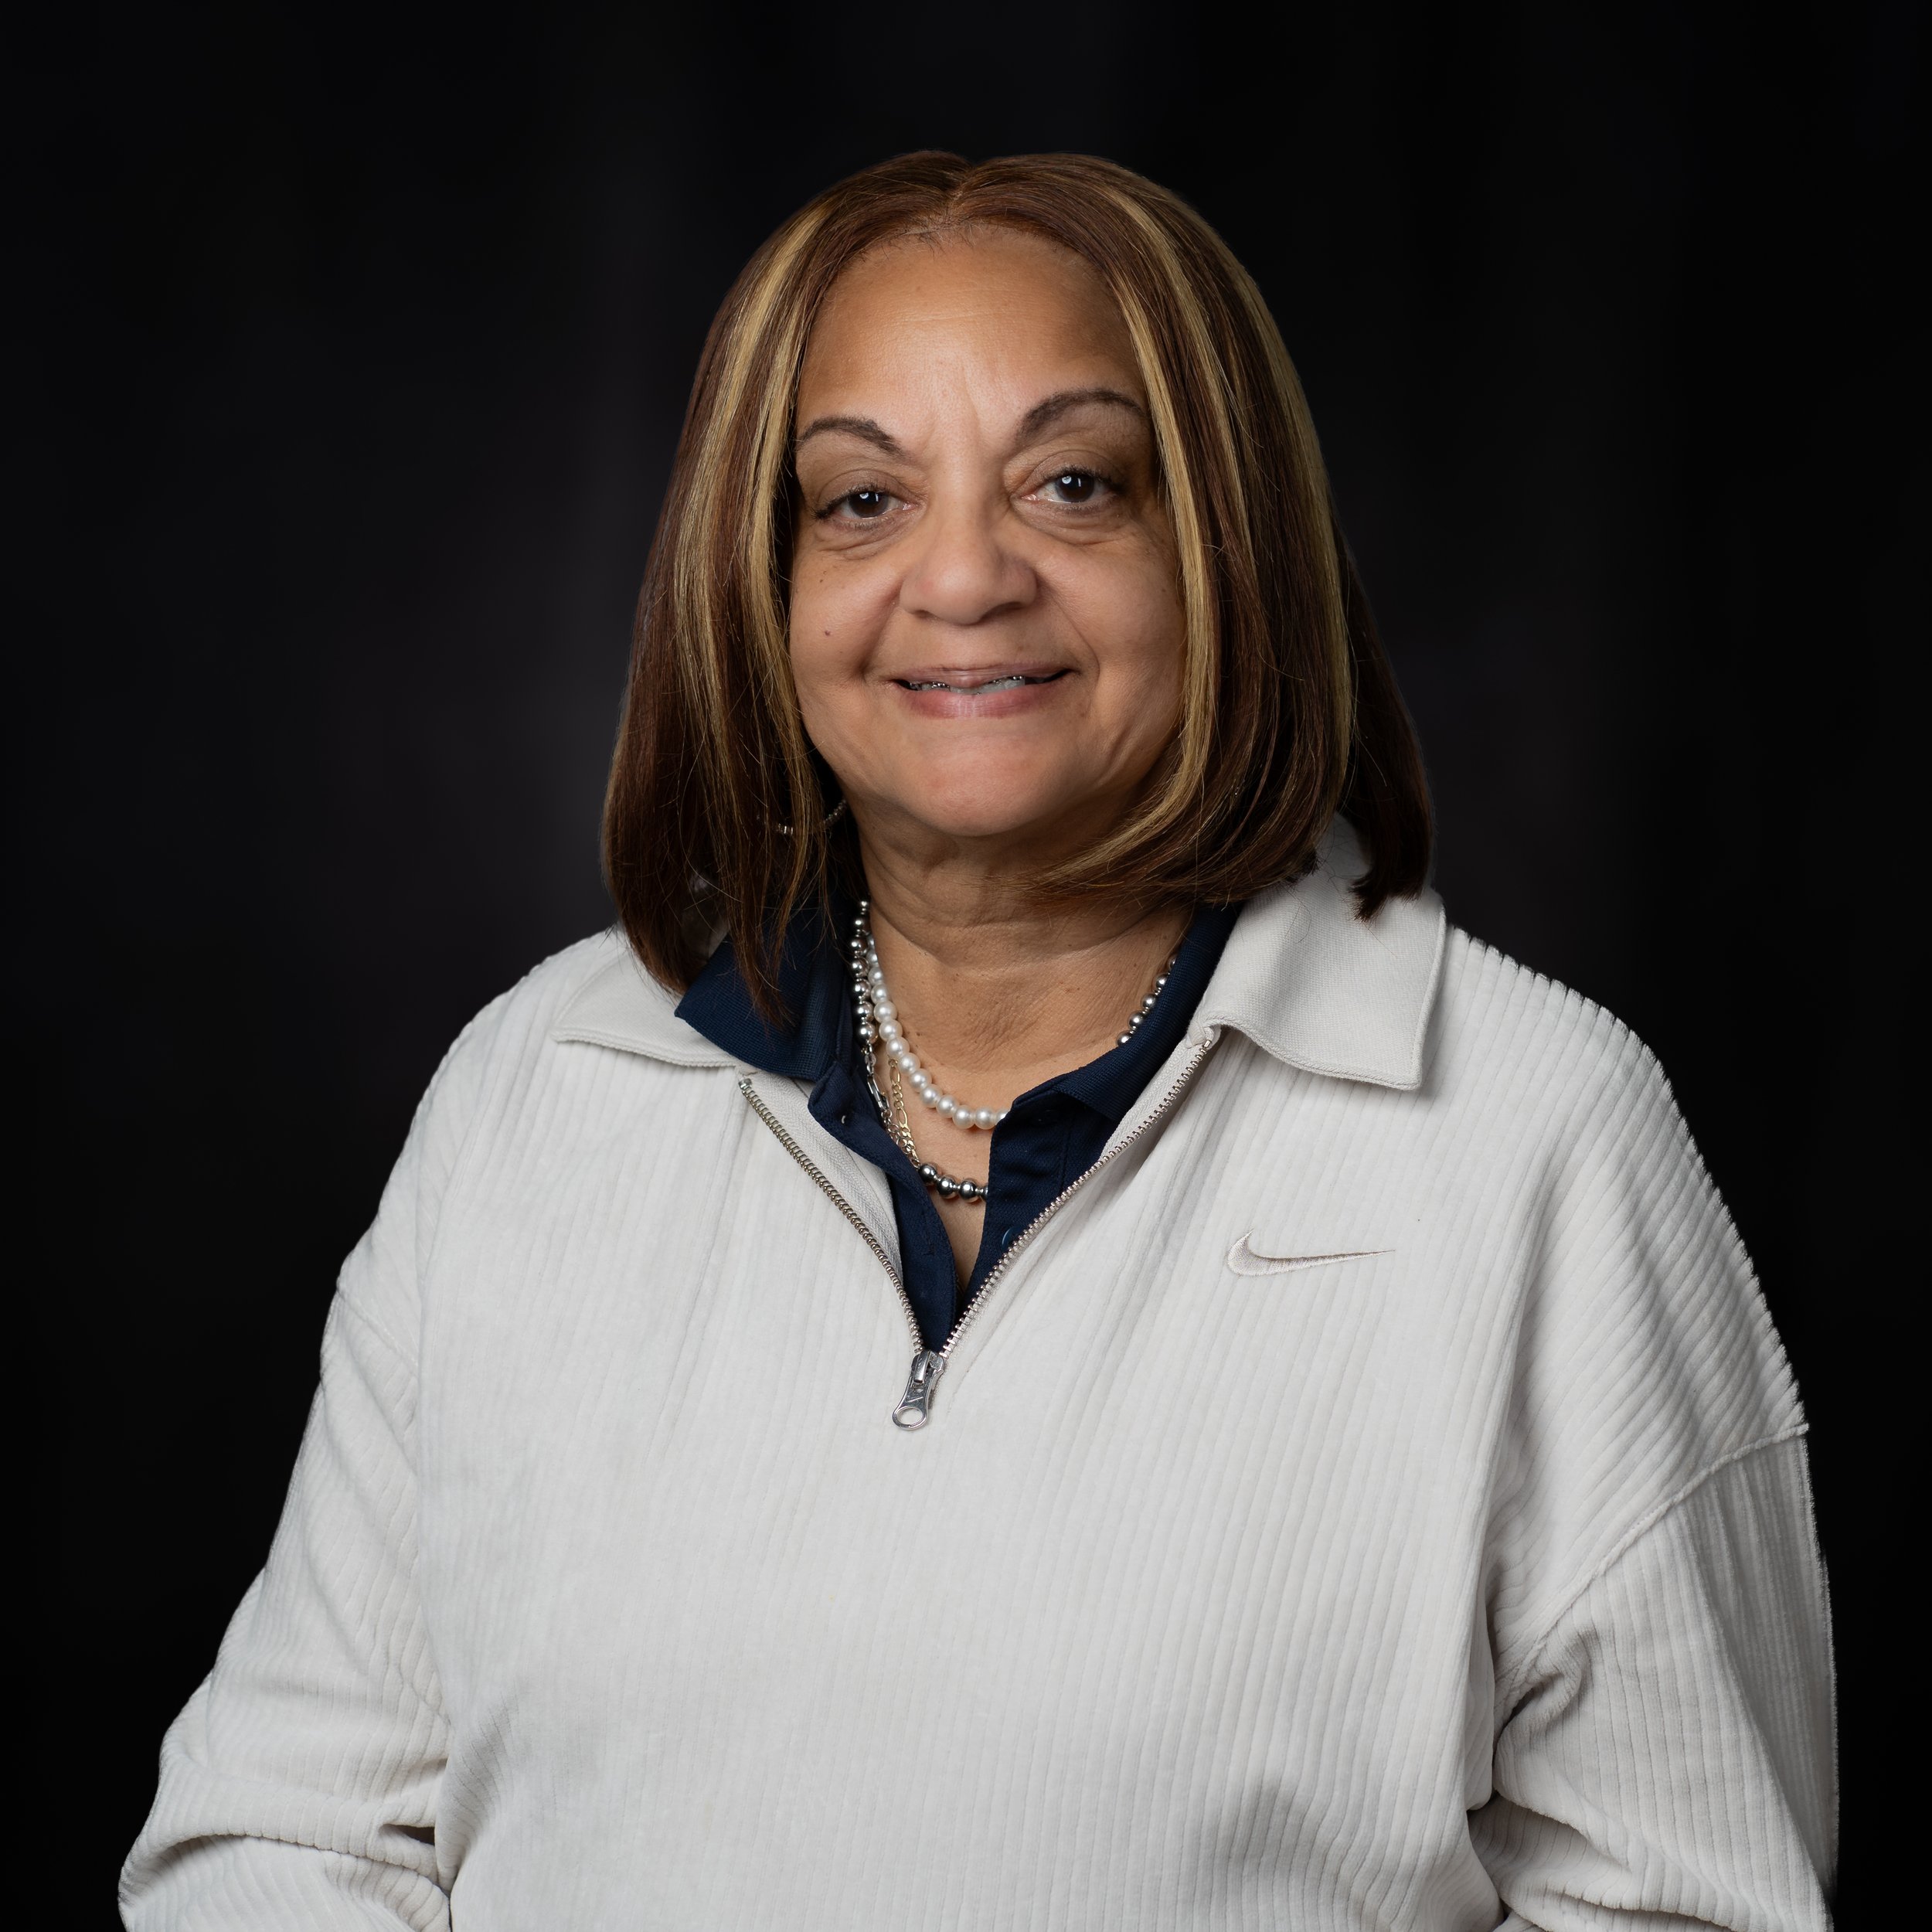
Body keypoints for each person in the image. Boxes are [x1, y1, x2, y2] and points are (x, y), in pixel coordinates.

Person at [121, 152, 1835, 1930]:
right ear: (758, 572)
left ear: (1221, 543)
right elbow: (278, 1839)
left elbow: (1681, 1901)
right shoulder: (531, 1097)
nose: (961, 577)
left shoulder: (1534, 1136)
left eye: (1073, 483)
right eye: (859, 499)